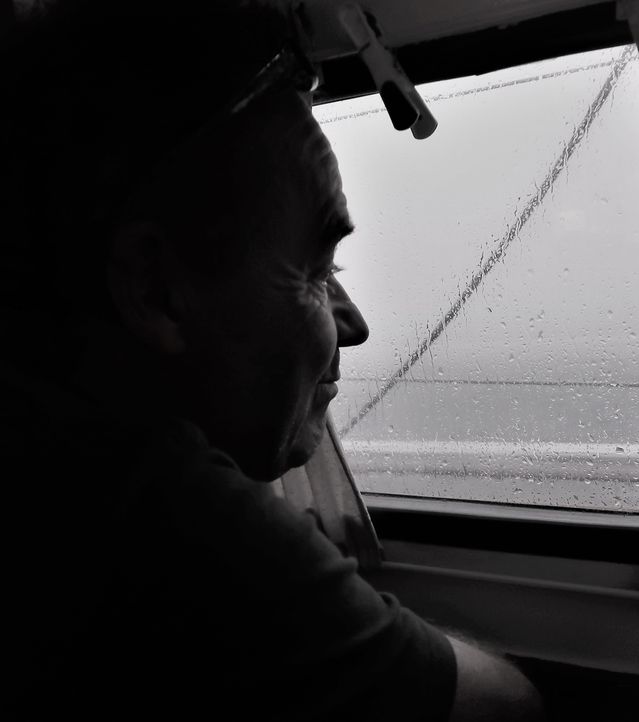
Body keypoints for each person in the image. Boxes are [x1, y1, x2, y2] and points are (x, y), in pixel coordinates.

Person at [3, 1, 544, 720]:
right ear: (156, 290)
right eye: (316, 271)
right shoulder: (159, 510)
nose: (355, 326)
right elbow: (509, 709)